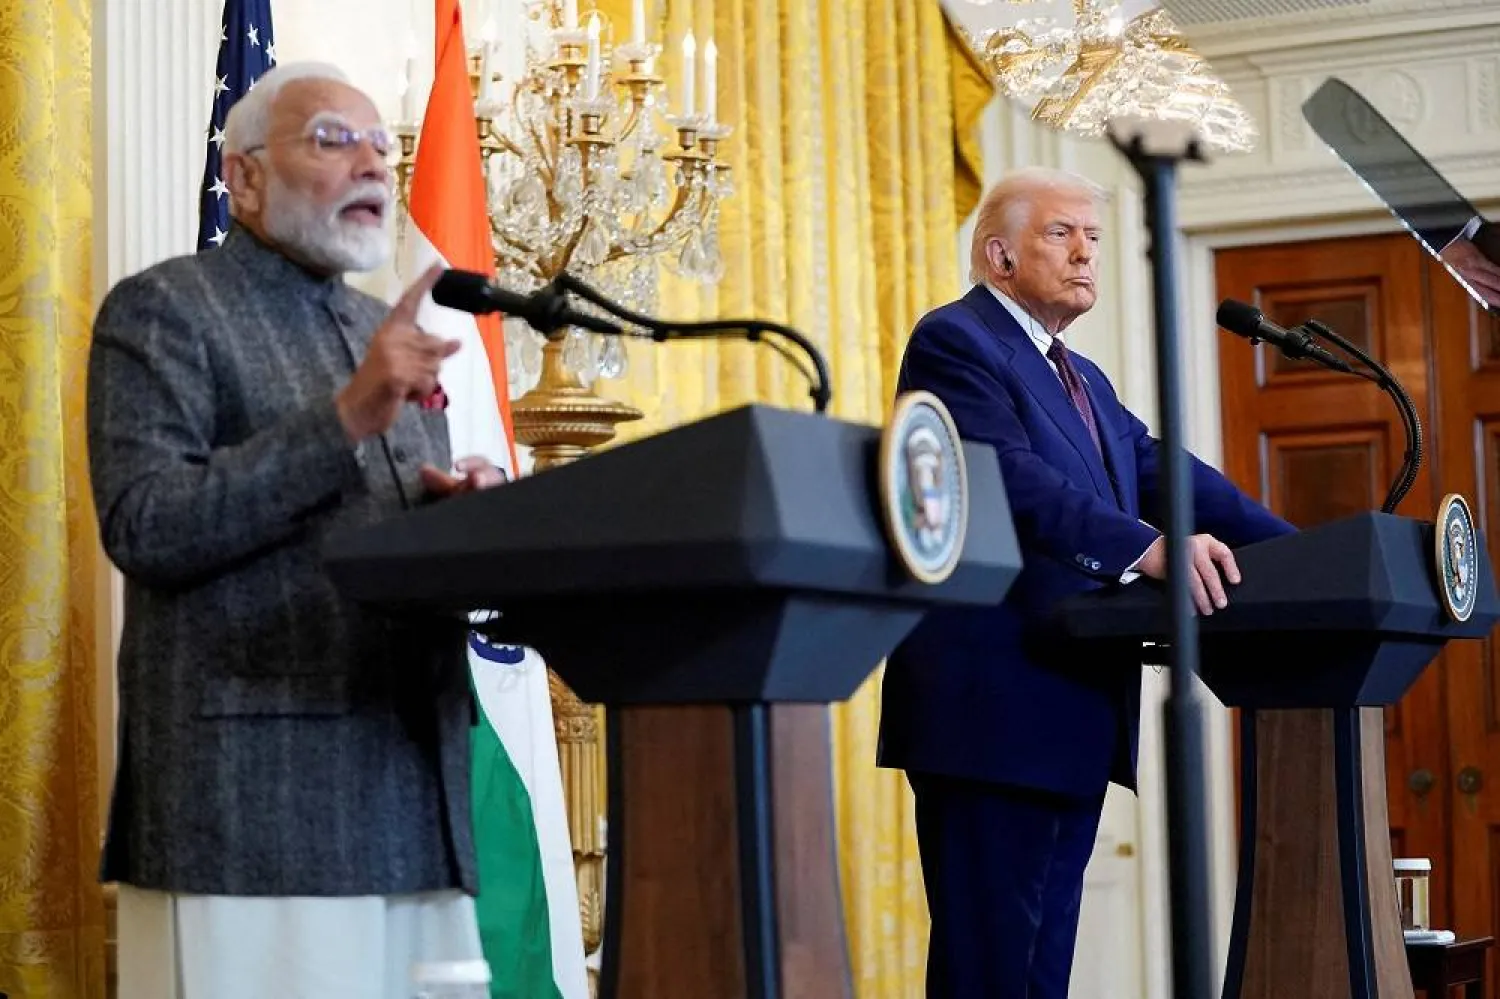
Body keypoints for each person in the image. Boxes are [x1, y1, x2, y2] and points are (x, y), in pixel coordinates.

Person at [87, 62, 503, 999]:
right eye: (332, 139)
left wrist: (462, 523)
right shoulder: (165, 310)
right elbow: (146, 524)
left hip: (415, 792)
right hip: (257, 810)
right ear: (242, 177)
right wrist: (348, 414)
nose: (372, 164)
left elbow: (370, 539)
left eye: (381, 146)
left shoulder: (380, 328)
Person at [877, 167, 1297, 998]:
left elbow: (1165, 473)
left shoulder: (1084, 379)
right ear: (998, 255)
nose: (1084, 254)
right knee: (989, 970)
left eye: (1094, 238)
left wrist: (1307, 549)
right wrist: (1148, 548)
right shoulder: (955, 341)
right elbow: (1009, 479)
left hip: (1069, 709)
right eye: (1061, 234)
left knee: (1041, 974)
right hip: (990, 714)